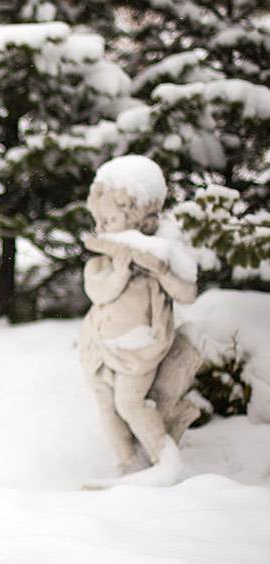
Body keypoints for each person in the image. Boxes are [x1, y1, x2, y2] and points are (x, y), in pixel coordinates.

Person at [79, 155, 198, 473]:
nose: (101, 228)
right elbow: (97, 293)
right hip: (100, 348)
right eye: (98, 221)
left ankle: (165, 460)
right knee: (106, 404)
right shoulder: (100, 263)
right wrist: (118, 272)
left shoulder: (160, 259)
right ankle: (127, 462)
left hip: (139, 349)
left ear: (141, 223)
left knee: (129, 403)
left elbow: (187, 294)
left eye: (110, 221)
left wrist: (162, 272)